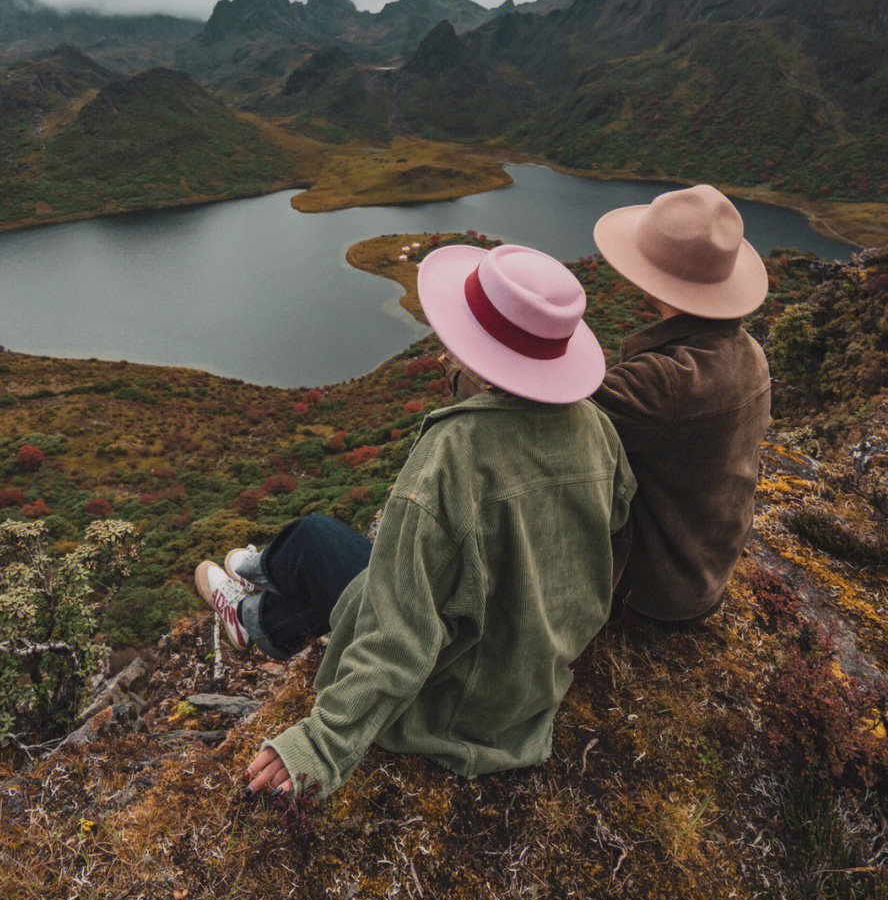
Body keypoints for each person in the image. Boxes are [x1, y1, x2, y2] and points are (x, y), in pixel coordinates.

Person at [195, 243, 634, 800]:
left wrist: (322, 742)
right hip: (531, 681)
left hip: (458, 705)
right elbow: (614, 525)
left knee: (317, 541)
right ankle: (255, 609)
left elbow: (399, 631)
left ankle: (253, 603)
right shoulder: (597, 429)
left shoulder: (452, 457)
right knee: (338, 564)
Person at [591, 184, 771, 627]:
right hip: (704, 577)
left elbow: (540, 417)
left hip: (652, 595)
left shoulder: (665, 380)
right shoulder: (751, 353)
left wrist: (465, 368)